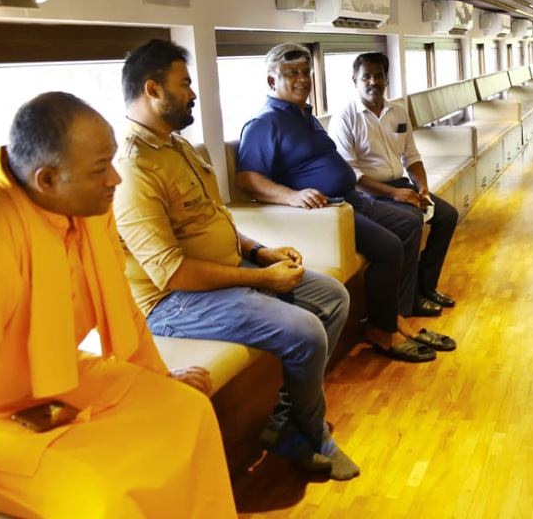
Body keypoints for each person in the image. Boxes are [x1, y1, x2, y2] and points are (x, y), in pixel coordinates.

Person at [0, 92, 236, 519]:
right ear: (46, 179)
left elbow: (121, 303)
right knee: (105, 502)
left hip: (55, 372)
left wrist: (160, 377)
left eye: (112, 163)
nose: (116, 181)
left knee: (186, 408)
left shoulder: (86, 204)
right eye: (100, 169)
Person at [112, 39, 358, 480]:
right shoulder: (133, 169)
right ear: (152, 89)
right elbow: (171, 273)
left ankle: (286, 423)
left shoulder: (176, 147)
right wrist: (265, 281)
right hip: (175, 303)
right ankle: (311, 433)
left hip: (228, 273)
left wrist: (260, 253)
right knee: (305, 329)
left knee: (332, 297)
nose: (192, 93)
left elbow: (215, 222)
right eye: (184, 84)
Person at [234, 43, 455, 363]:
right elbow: (247, 179)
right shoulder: (264, 123)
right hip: (326, 213)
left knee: (410, 222)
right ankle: (381, 329)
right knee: (389, 247)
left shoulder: (304, 115)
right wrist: (291, 196)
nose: (302, 79)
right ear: (272, 82)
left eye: (306, 73)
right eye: (291, 74)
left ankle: (397, 314)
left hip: (353, 199)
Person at [328, 52, 459, 311]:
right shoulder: (344, 118)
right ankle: (409, 300)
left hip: (400, 184)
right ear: (355, 79)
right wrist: (393, 194)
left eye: (378, 76)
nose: (372, 82)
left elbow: (411, 155)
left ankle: (426, 286)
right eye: (366, 76)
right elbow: (350, 175)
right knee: (411, 219)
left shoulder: (398, 112)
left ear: (386, 79)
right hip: (369, 194)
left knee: (447, 215)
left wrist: (422, 187)